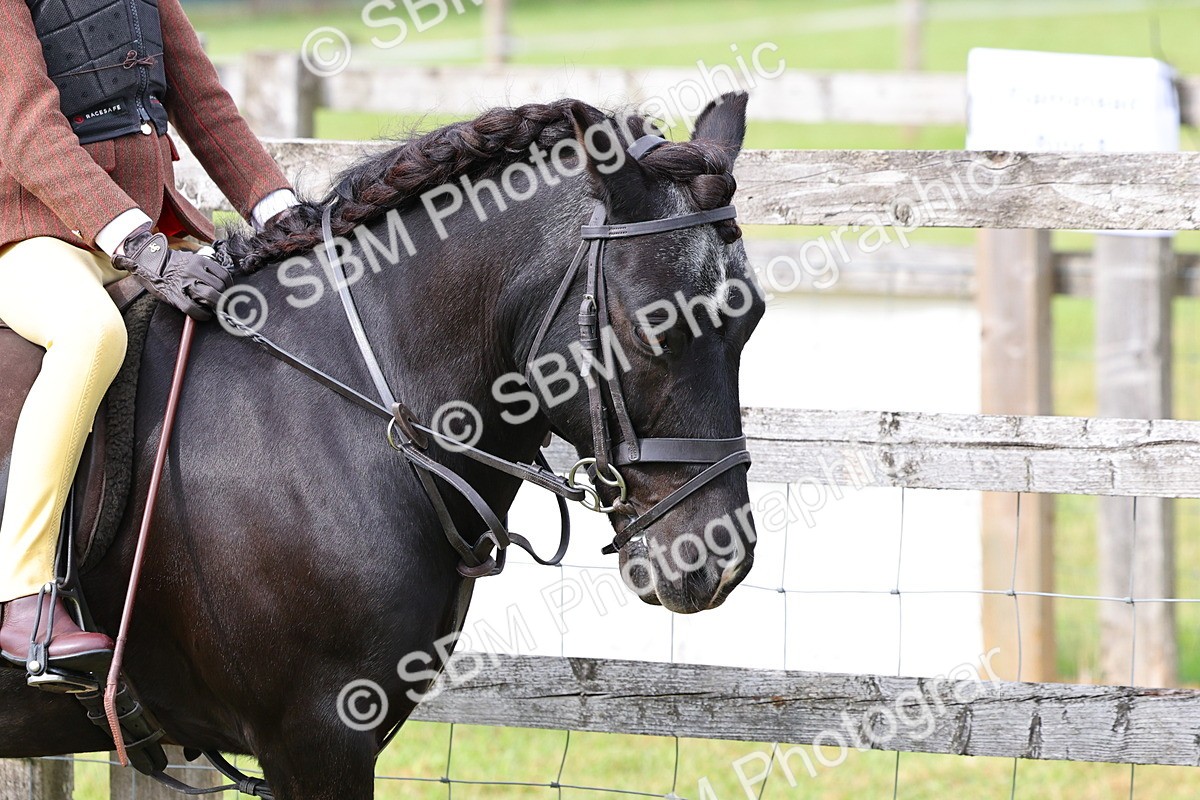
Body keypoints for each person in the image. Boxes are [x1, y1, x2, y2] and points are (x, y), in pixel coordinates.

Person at [0, 0, 299, 681]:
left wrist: (289, 216)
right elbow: (26, 132)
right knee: (89, 331)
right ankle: (23, 597)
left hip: (149, 229)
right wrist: (136, 241)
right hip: (29, 232)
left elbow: (207, 107)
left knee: (267, 311)